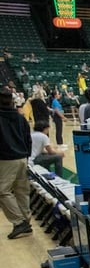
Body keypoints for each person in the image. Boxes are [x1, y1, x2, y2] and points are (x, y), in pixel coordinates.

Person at [0, 87, 33, 239]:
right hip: (22, 157)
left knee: (3, 191)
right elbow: (28, 138)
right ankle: (26, 220)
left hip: (6, 159)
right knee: (22, 191)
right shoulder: (20, 117)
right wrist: (27, 155)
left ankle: (19, 222)